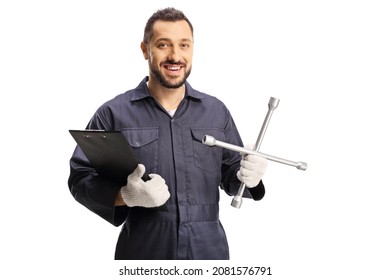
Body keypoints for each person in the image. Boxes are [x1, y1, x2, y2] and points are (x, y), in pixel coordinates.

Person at [68, 7, 268, 260]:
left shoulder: (216, 112)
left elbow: (232, 176)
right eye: (164, 45)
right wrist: (125, 196)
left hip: (209, 253)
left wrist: (250, 176)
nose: (175, 56)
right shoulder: (113, 113)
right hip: (143, 254)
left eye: (184, 45)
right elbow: (80, 178)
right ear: (145, 49)